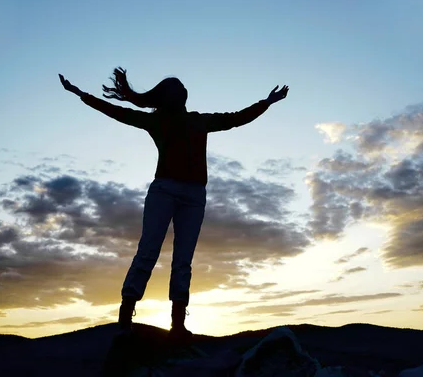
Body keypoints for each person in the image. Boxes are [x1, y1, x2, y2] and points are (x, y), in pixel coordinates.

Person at [58, 68, 289, 339]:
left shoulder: (199, 121)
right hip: (164, 191)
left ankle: (177, 324)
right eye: (177, 88)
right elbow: (115, 111)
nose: (182, 90)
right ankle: (125, 315)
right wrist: (79, 94)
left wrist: (267, 102)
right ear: (169, 97)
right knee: (148, 251)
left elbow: (237, 119)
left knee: (183, 261)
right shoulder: (158, 122)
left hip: (194, 197)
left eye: (182, 88)